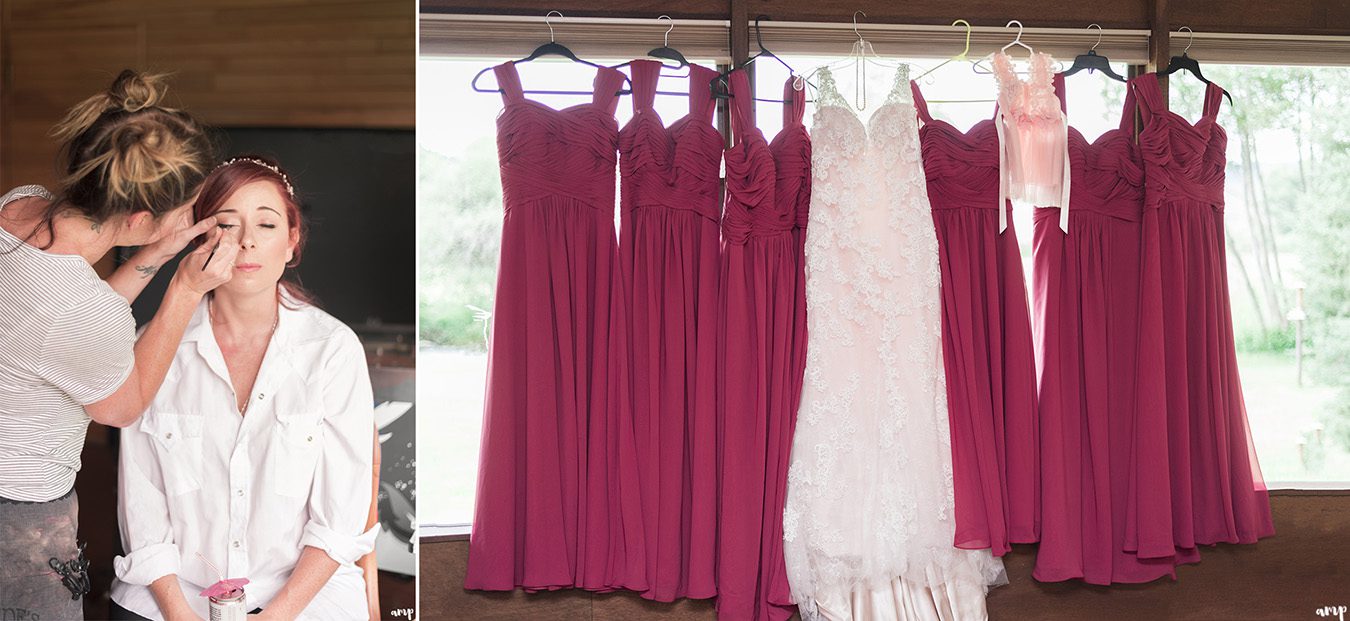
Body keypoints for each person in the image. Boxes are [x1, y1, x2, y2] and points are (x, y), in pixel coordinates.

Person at [0, 70, 233, 619]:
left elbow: (60, 323)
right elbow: (123, 406)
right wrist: (185, 286)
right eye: (184, 208)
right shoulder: (84, 310)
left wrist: (150, 256)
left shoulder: (18, 206)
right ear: (140, 217)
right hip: (17, 516)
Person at [110, 156, 377, 621]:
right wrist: (178, 612)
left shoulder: (332, 350)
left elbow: (339, 522)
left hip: (303, 594)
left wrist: (275, 615)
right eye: (227, 224)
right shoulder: (155, 348)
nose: (248, 240)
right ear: (202, 236)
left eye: (267, 224)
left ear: (292, 241)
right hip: (176, 594)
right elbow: (143, 506)